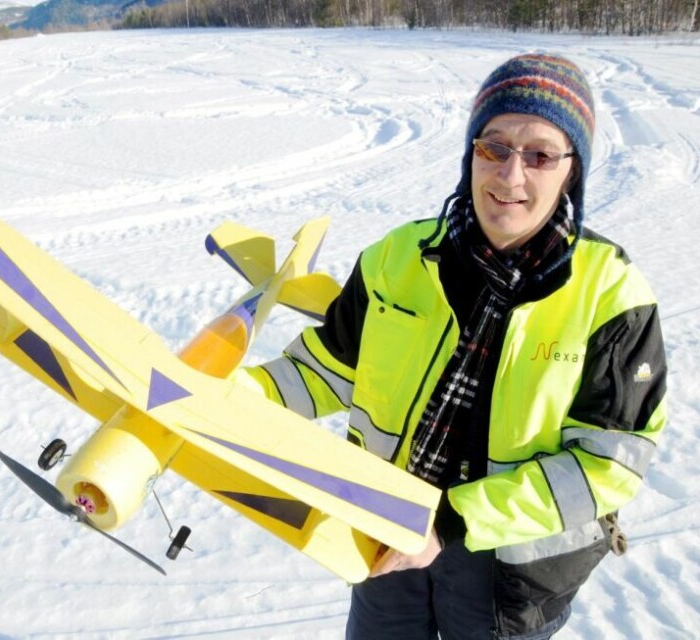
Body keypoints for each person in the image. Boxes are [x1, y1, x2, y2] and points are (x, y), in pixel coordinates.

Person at [240, 54, 667, 639]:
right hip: (386, 532)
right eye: (493, 147)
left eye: (540, 154)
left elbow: (606, 465)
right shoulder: (399, 257)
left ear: (571, 172)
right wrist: (233, 397)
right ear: (471, 153)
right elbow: (326, 369)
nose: (510, 176)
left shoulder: (612, 294)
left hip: (511, 570)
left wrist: (449, 520)